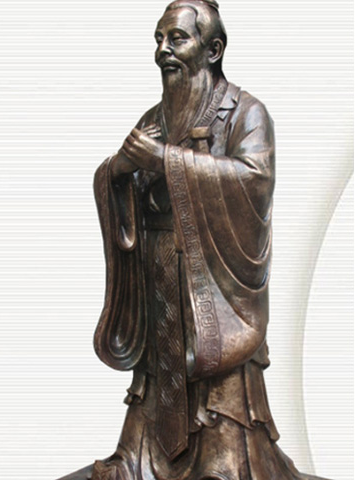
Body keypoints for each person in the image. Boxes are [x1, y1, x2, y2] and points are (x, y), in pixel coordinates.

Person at [62, 1, 326, 479]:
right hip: (161, 281)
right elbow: (120, 177)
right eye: (158, 39)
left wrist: (165, 161)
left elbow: (254, 180)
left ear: (213, 49)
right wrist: (119, 171)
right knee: (140, 428)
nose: (163, 50)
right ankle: (141, 459)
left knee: (223, 420)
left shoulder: (245, 114)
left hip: (215, 292)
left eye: (177, 38)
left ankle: (223, 459)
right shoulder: (154, 119)